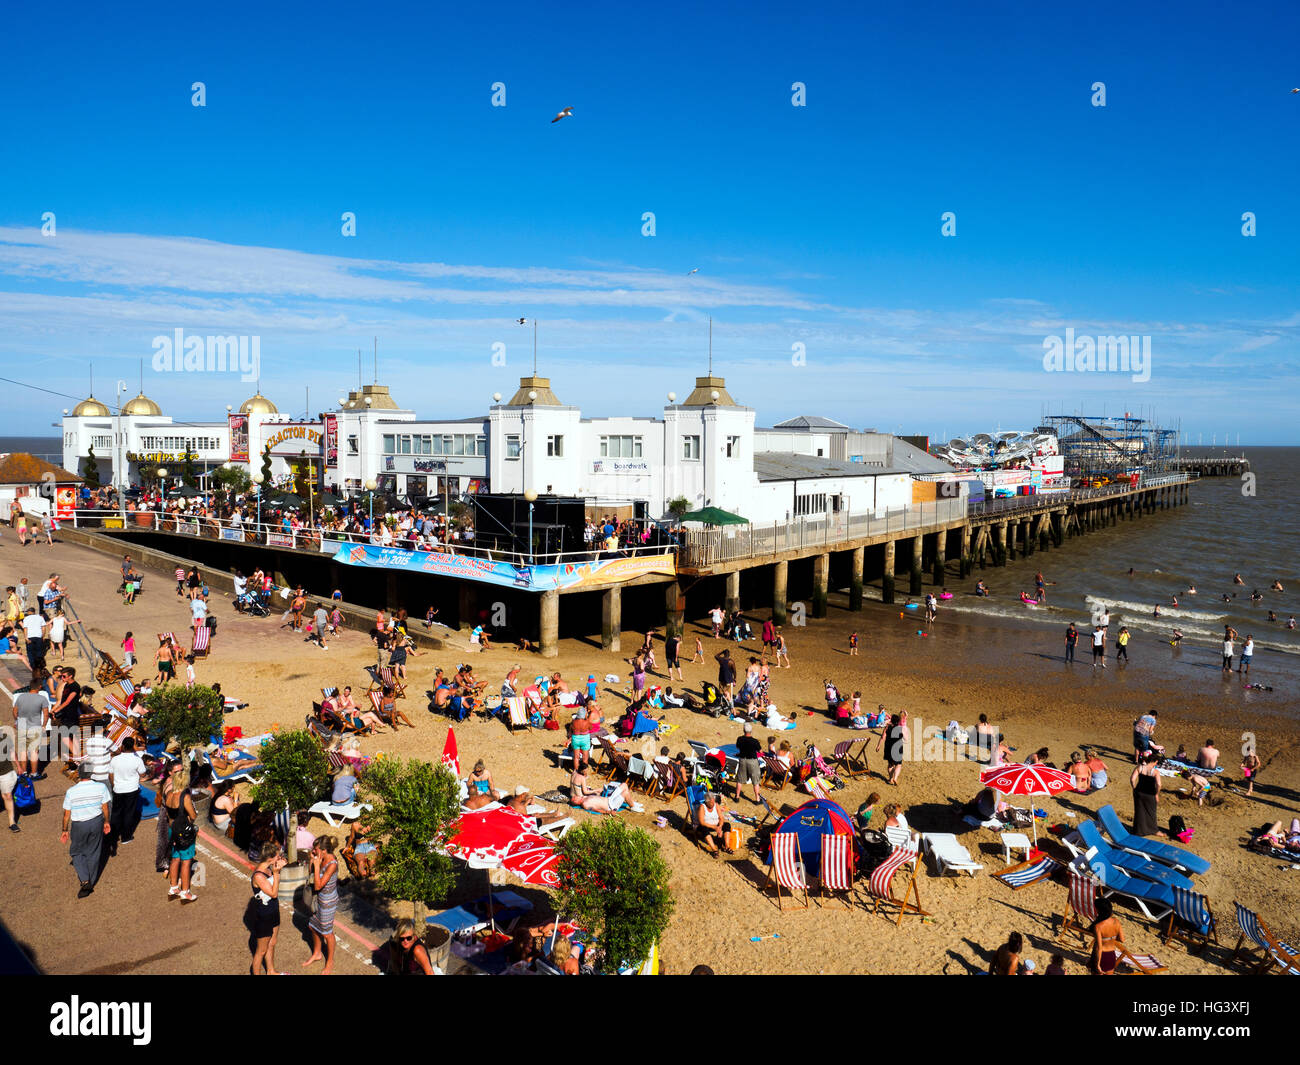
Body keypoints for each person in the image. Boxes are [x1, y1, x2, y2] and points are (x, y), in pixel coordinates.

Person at [61, 763, 112, 898]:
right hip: (96, 821)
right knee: (94, 852)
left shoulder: (71, 791)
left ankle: (85, 880)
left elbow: (67, 815)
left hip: (79, 825)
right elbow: (105, 807)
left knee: (76, 851)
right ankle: (91, 881)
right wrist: (106, 822)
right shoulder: (101, 787)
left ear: (78, 773)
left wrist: (64, 830)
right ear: (91, 774)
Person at [303, 836, 339, 974]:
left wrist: (317, 866)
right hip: (319, 900)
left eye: (316, 849)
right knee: (312, 926)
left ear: (324, 850)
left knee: (327, 933)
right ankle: (317, 953)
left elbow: (318, 886)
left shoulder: (332, 864)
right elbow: (311, 875)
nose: (314, 851)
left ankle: (330, 961)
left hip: (327, 902)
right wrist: (312, 862)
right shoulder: (321, 858)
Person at [250, 846, 287, 975]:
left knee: (272, 943)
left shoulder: (268, 869)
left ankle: (271, 971)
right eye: (277, 856)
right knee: (261, 951)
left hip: (273, 911)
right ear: (270, 858)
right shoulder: (259, 876)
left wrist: (277, 870)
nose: (280, 857)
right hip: (264, 916)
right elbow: (273, 893)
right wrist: (276, 873)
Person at [164, 765, 199, 902]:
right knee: (186, 862)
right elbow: (193, 815)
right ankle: (186, 891)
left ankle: (173, 887)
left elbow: (169, 815)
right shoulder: (184, 796)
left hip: (173, 829)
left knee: (175, 858)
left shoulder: (169, 793)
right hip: (184, 831)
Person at [106, 735, 146, 850]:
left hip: (118, 789)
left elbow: (111, 774)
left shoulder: (115, 759)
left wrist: (114, 785)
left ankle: (113, 836)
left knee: (116, 812)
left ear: (123, 746)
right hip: (131, 789)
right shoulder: (137, 760)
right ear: (133, 746)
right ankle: (126, 836)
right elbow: (142, 774)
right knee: (129, 813)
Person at [1090, 897, 1125, 975]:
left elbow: (1099, 947)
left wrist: (1098, 964)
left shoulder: (1098, 926)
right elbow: (1122, 939)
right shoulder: (1116, 921)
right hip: (1112, 955)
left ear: (1099, 910)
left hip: (1101, 956)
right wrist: (1111, 938)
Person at [1130, 752, 1162, 837]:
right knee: (1151, 812)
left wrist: (1134, 788)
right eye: (1156, 762)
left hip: (1139, 792)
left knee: (1139, 811)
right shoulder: (1155, 772)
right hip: (1150, 794)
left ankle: (1139, 831)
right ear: (1154, 761)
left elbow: (1132, 779)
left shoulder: (1139, 767)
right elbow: (1159, 784)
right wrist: (1157, 794)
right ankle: (1154, 831)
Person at [695, 791, 732, 856]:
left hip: (716, 825)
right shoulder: (702, 807)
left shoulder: (716, 805)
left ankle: (727, 846)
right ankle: (714, 849)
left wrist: (720, 826)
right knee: (704, 829)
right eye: (711, 802)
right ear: (707, 802)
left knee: (727, 825)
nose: (713, 803)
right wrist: (714, 827)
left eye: (713, 801)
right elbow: (702, 822)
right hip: (706, 826)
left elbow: (721, 818)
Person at [735, 722, 763, 803]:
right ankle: (757, 799)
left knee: (740, 779)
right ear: (751, 731)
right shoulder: (755, 741)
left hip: (743, 759)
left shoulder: (740, 739)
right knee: (755, 781)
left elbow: (737, 746)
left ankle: (737, 797)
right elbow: (760, 751)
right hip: (752, 761)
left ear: (743, 730)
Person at [878, 712, 907, 785]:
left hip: (888, 747)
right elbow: (906, 739)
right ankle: (895, 778)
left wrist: (878, 746)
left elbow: (882, 737)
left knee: (890, 764)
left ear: (891, 720)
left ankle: (890, 779)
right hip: (898, 747)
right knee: (898, 764)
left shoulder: (887, 727)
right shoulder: (900, 728)